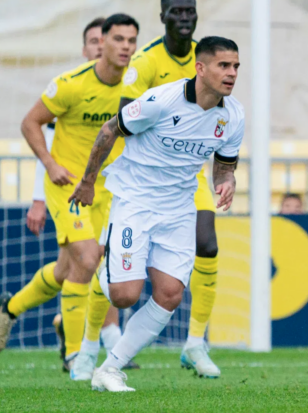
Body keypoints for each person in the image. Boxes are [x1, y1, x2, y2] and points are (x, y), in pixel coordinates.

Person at [69, 36, 243, 392]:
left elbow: (224, 167)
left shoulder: (233, 116)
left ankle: (111, 368)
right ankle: (110, 272)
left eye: (236, 66)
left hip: (179, 209)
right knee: (125, 295)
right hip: (134, 201)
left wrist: (226, 182)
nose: (232, 73)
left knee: (169, 294)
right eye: (224, 65)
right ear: (201, 68)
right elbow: (109, 130)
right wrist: (88, 182)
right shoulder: (161, 100)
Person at [0, 14, 139, 376]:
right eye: (116, 39)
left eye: (131, 40)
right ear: (99, 42)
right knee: (88, 260)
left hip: (110, 189)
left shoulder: (136, 86)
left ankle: (11, 309)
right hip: (68, 187)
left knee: (67, 270)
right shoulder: (70, 85)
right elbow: (31, 123)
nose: (124, 47)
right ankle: (77, 355)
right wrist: (48, 168)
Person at [108, 0, 223, 378]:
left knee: (207, 243)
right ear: (163, 17)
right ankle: (94, 337)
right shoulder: (146, 62)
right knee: (124, 289)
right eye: (176, 11)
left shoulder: (206, 59)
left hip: (188, 175)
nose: (185, 17)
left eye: (190, 10)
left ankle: (195, 343)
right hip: (147, 179)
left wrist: (226, 173)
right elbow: (125, 117)